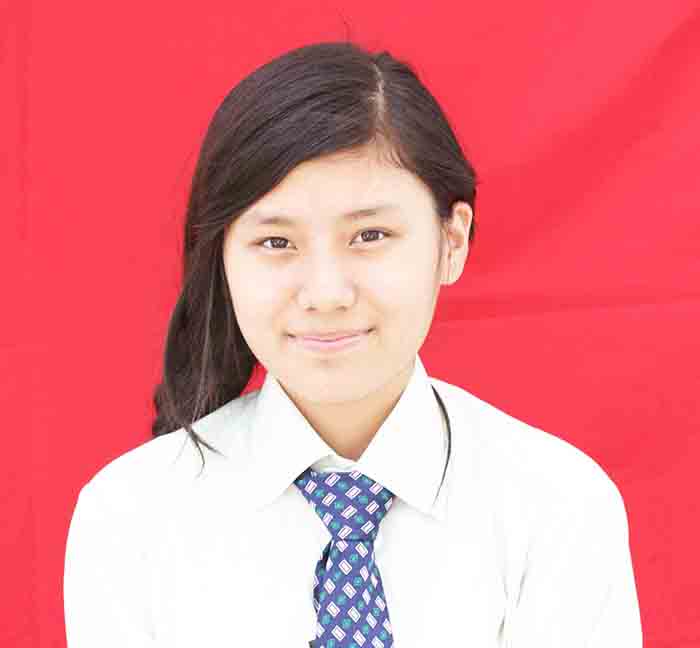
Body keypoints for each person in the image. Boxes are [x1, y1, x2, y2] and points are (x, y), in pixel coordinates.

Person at [63, 41, 643, 647]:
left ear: (452, 240)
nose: (326, 294)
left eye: (370, 235)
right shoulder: (130, 519)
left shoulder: (557, 506)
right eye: (276, 243)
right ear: (223, 258)